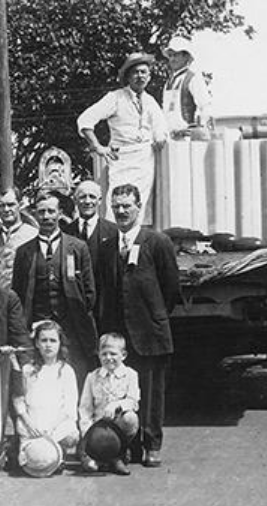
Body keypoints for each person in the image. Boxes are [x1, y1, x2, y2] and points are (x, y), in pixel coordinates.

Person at [98, 183, 179, 468]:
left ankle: (152, 445)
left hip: (150, 332)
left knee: (152, 392)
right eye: (116, 206)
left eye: (126, 206)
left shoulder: (157, 242)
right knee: (122, 392)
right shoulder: (107, 247)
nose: (121, 211)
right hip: (121, 337)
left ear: (138, 207)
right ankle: (128, 446)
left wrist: (153, 317)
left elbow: (170, 290)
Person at [11, 192, 98, 384]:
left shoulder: (78, 247)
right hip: (37, 327)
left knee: (75, 377)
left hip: (72, 328)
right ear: (35, 214)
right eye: (41, 212)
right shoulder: (24, 252)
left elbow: (90, 291)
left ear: (59, 213)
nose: (47, 216)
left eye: (51, 211)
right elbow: (17, 293)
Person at [77, 53, 168, 218]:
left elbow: (160, 127)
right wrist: (98, 147)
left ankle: (132, 243)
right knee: (117, 204)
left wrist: (160, 137)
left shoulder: (150, 101)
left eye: (144, 72)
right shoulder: (115, 97)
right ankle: (112, 242)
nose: (140, 76)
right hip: (122, 159)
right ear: (128, 76)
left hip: (145, 160)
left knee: (138, 207)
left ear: (149, 76)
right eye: (136, 72)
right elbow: (85, 120)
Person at [13, 320, 80, 466]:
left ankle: (57, 452)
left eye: (53, 340)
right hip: (33, 422)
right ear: (37, 343)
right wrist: (30, 424)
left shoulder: (66, 371)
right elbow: (19, 400)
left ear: (59, 344)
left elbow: (70, 405)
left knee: (70, 436)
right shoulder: (28, 370)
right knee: (36, 459)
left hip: (56, 423)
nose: (48, 345)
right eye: (44, 340)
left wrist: (51, 427)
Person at [78, 332, 140, 476]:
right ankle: (97, 456)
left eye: (113, 354)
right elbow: (85, 408)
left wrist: (116, 405)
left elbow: (133, 401)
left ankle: (118, 455)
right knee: (91, 467)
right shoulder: (92, 377)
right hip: (97, 429)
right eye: (104, 354)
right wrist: (87, 434)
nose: (108, 358)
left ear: (123, 355)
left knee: (130, 418)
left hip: (118, 428)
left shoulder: (131, 375)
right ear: (98, 354)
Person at [63, 180, 121, 333]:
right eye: (82, 197)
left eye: (92, 197)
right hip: (75, 305)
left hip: (106, 305)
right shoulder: (66, 232)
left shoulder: (113, 231)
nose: (87, 201)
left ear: (100, 201)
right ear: (75, 201)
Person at [0, 188, 38, 289]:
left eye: (11, 204)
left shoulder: (33, 235)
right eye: (1, 206)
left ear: (20, 204)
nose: (6, 209)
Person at [161, 36, 211, 137]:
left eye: (176, 55)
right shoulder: (168, 82)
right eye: (170, 55)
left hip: (186, 137)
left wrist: (199, 130)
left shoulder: (193, 78)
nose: (172, 59)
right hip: (169, 136)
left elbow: (205, 105)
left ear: (186, 57)